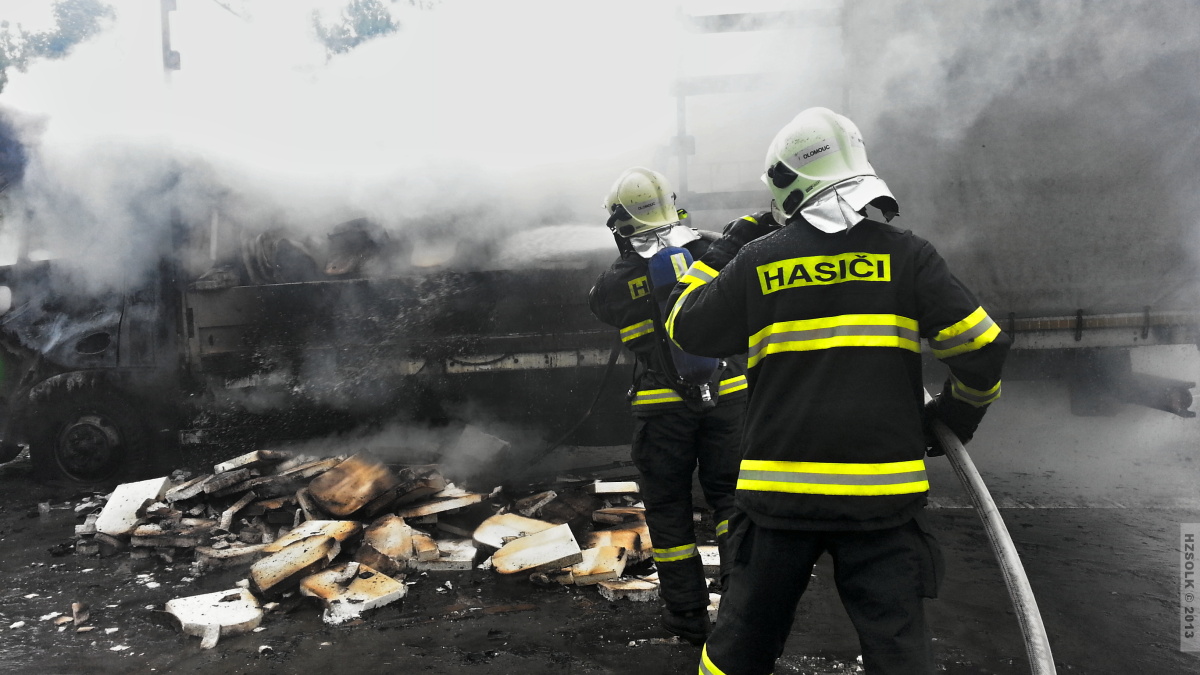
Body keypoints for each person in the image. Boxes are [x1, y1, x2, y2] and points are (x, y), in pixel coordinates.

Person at [664, 108, 1011, 674]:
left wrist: (729, 244)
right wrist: (955, 416)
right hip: (883, 502)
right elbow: (983, 347)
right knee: (899, 658)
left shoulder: (758, 259)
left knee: (739, 652)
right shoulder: (907, 255)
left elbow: (685, 326)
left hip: (778, 502)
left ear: (787, 184)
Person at [588, 167, 749, 646]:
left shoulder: (616, 280)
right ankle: (741, 610)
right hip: (728, 400)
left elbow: (600, 304)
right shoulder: (712, 253)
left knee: (669, 513)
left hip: (662, 412)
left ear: (621, 224)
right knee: (732, 503)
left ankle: (687, 617)